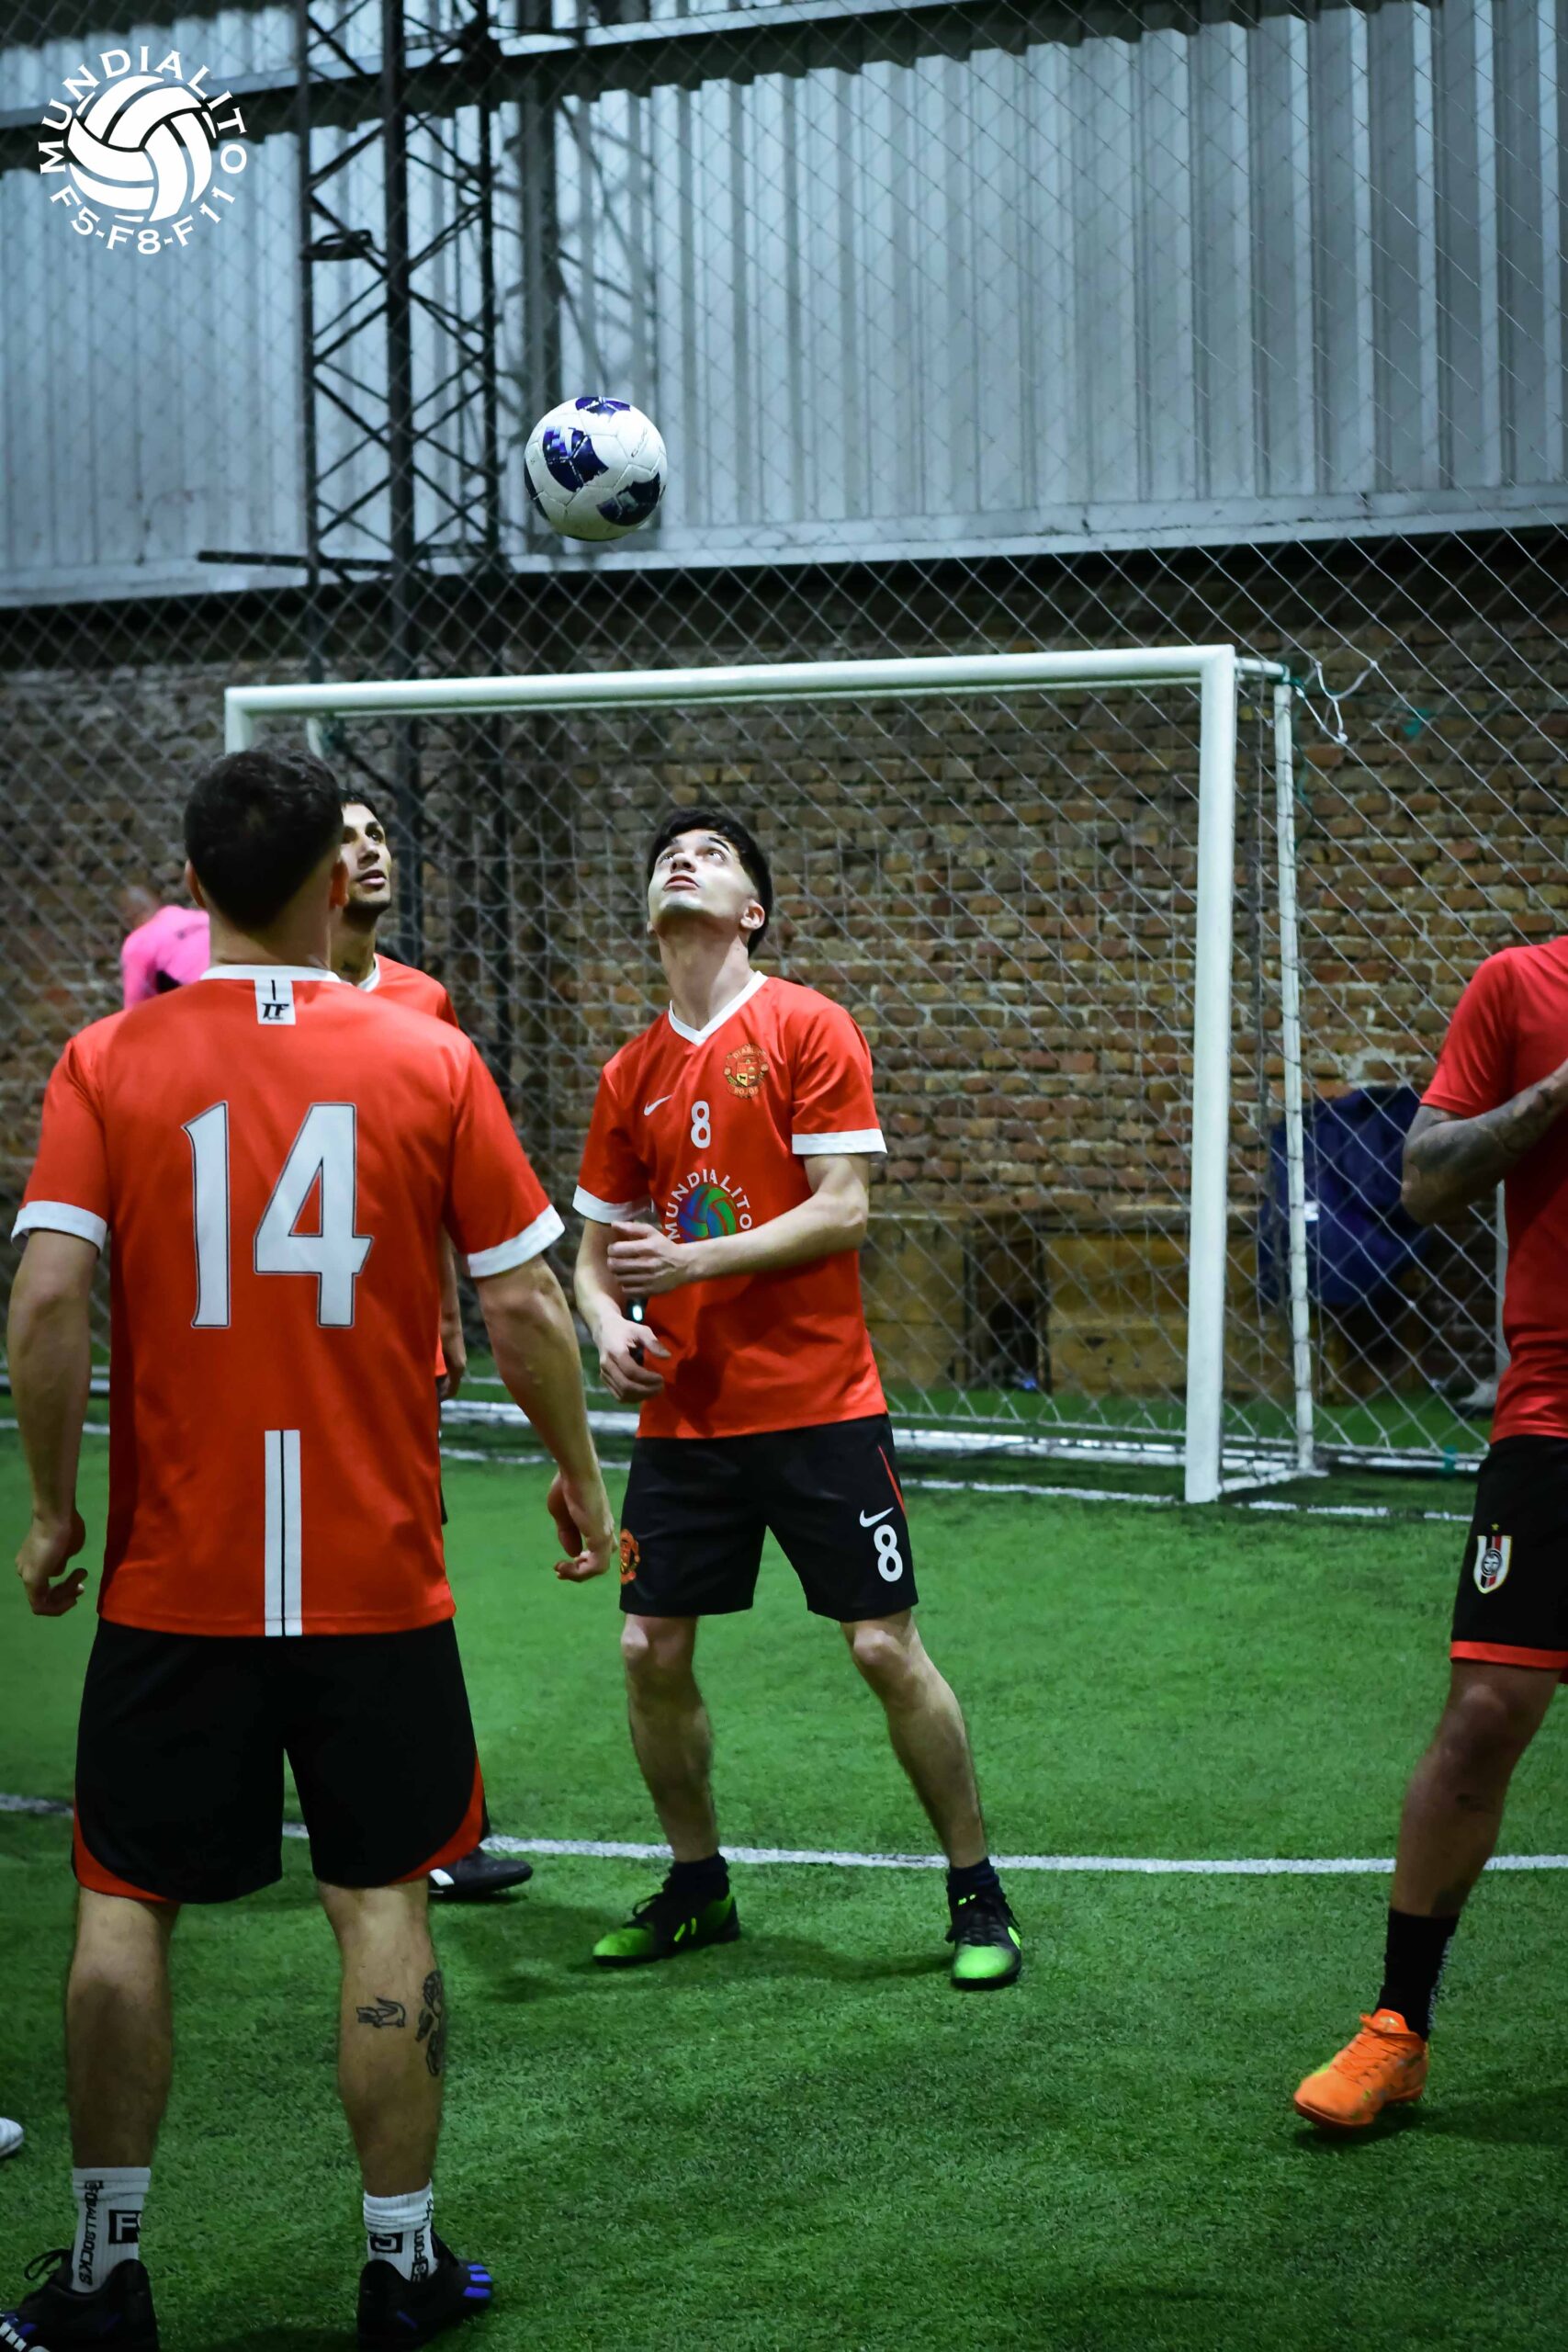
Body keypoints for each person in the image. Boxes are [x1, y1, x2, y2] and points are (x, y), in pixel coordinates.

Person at [5, 747, 614, 2350]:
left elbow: (49, 1301)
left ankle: (105, 2274)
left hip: (178, 1579)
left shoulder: (105, 1063)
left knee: (124, 1904)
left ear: (189, 887)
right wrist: (579, 1480)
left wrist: (56, 1506)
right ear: (339, 882)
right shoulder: (429, 1056)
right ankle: (400, 2268)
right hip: (373, 1578)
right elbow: (523, 1304)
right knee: (382, 1904)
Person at [572, 808, 1021, 1990]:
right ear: (650, 912)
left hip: (821, 1405)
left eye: (713, 855)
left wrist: (691, 1264)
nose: (683, 859)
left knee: (882, 1646)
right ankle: (698, 1885)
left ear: (752, 911)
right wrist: (610, 1328)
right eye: (668, 855)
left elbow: (843, 1208)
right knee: (647, 1646)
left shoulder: (808, 1025)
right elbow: (592, 1259)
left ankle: (977, 1890)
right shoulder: (628, 1072)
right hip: (687, 1420)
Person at [1294, 937, 1568, 2128]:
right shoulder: (1520, 985)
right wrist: (1558, 1090)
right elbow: (1423, 1179)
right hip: (1552, 1414)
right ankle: (1395, 2028)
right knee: (1483, 1716)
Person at [331, 793, 532, 1905]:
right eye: (344, 836)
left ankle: (447, 1830)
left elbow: (440, 1194)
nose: (369, 850)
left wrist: (446, 1319)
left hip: (391, 1350)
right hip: (281, 1349)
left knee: (412, 1577)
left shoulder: (422, 1002)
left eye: (379, 835)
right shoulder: (245, 1010)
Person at [118, 883, 209, 1007]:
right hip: (232, 983)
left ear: (126, 915)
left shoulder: (139, 941)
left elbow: (134, 1005)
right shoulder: (201, 917)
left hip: (203, 1001)